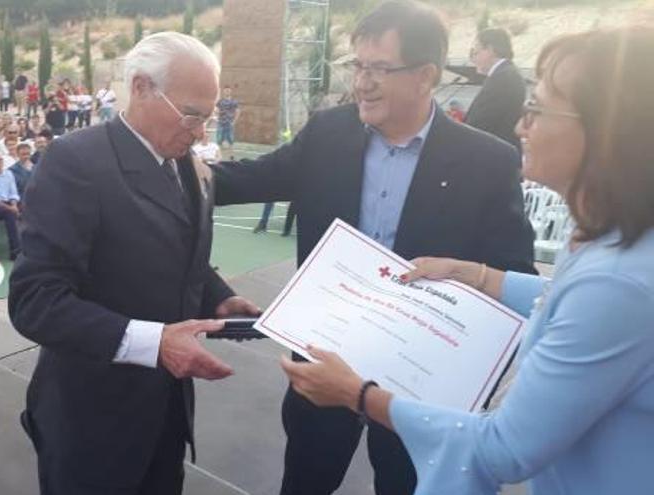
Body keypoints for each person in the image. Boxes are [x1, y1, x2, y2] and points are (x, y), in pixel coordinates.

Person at [280, 26, 654, 495]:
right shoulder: (619, 244)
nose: (521, 126)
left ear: (608, 131)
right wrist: (479, 277)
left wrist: (359, 396)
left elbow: (502, 449)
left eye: (537, 109)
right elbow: (568, 302)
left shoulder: (619, 284)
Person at [211, 2, 535, 494]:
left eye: (379, 68)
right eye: (357, 65)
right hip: (324, 360)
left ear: (426, 75)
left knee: (403, 484)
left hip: (416, 380)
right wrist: (173, 168)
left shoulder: (487, 161)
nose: (362, 81)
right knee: (305, 479)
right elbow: (254, 177)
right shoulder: (328, 132)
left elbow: (513, 272)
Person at [9, 32, 259, 495]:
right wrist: (156, 343)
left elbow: (178, 254)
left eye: (209, 115)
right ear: (141, 87)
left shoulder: (191, 166)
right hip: (92, 422)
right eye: (192, 114)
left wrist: (219, 298)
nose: (201, 131)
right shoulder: (77, 161)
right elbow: (34, 301)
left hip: (166, 413)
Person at [465, 28, 526, 152]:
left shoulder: (503, 78)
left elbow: (481, 121)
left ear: (490, 50)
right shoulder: (505, 73)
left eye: (476, 51)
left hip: (493, 153)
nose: (473, 58)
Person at [215, 85, 240, 160]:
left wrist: (234, 122)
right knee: (219, 140)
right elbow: (216, 110)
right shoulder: (220, 101)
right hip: (221, 123)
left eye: (228, 90)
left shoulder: (234, 101)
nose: (227, 91)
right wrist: (217, 115)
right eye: (226, 90)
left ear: (231, 91)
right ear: (223, 92)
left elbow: (238, 111)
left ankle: (231, 157)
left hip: (229, 123)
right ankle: (219, 158)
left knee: (230, 140)